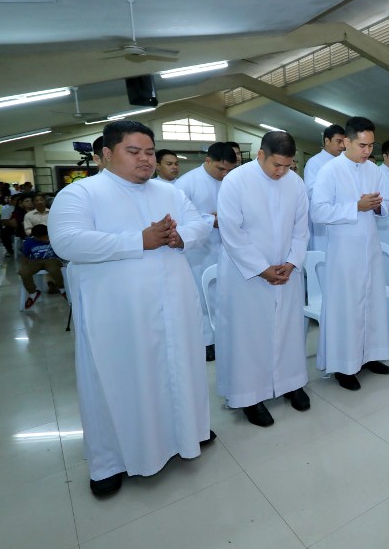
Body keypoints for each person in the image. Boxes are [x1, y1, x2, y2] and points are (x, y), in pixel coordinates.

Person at [48, 120, 215, 497]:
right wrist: (138, 240)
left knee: (179, 369)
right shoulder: (82, 194)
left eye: (150, 152)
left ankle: (186, 433)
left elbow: (200, 225)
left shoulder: (167, 191)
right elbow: (68, 242)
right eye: (133, 152)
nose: (145, 160)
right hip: (117, 311)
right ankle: (111, 461)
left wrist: (179, 235)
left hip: (173, 302)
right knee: (119, 379)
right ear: (107, 154)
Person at [216, 131, 311, 427]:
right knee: (249, 335)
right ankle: (249, 397)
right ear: (260, 155)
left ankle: (291, 383)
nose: (282, 171)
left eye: (287, 165)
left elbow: (301, 228)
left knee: (287, 328)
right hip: (246, 274)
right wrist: (261, 268)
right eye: (276, 165)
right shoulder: (236, 181)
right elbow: (232, 232)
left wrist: (293, 262)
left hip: (286, 271)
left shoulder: (295, 183)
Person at [310, 117, 389, 390]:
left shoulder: (374, 170)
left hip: (369, 246)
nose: (367, 151)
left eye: (371, 145)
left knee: (371, 301)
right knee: (347, 306)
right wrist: (355, 206)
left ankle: (370, 356)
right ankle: (344, 365)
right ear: (346, 141)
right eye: (362, 145)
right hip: (344, 251)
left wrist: (379, 207)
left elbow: (385, 206)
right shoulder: (330, 171)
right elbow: (318, 211)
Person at [175, 141, 238, 361]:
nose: (225, 174)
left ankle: (226, 336)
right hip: (199, 251)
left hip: (227, 246)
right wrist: (211, 220)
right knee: (202, 297)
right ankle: (206, 341)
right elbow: (180, 219)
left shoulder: (233, 181)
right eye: (220, 169)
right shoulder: (186, 183)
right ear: (208, 160)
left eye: (229, 170)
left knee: (225, 294)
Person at [303, 124, 346, 252]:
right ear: (327, 141)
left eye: (343, 142)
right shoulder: (314, 162)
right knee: (324, 256)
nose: (342, 146)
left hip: (342, 215)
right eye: (338, 141)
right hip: (323, 220)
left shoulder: (344, 162)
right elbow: (310, 190)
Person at [18, 224, 65, 308]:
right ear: (36, 237)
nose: (46, 238)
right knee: (23, 272)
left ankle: (62, 289)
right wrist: (24, 266)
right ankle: (33, 293)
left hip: (52, 259)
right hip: (36, 261)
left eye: (47, 236)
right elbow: (25, 256)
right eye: (44, 237)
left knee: (53, 269)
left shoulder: (54, 238)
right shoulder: (29, 242)